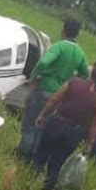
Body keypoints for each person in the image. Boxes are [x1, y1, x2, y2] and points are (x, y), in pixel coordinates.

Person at [33, 59, 96, 190]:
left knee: (41, 156)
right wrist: (89, 144)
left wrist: (42, 115)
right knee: (56, 164)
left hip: (56, 123)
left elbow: (54, 100)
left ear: (93, 71)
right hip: (74, 133)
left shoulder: (73, 83)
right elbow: (94, 125)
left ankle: (27, 184)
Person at [17, 18, 89, 160]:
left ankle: (22, 153)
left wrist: (34, 76)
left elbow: (44, 62)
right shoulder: (79, 53)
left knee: (30, 123)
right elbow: (85, 74)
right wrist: (69, 82)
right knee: (42, 127)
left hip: (43, 89)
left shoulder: (59, 47)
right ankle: (32, 157)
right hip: (58, 96)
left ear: (63, 30)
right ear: (77, 34)